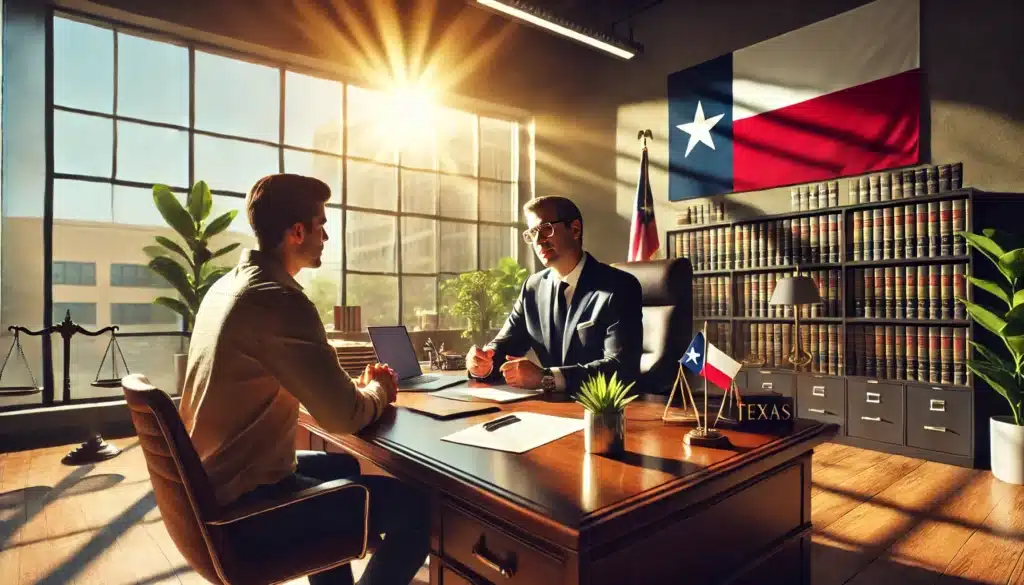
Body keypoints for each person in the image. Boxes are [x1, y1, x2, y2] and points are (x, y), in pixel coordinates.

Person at [178, 173, 429, 585]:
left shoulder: (228, 286)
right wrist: (380, 388)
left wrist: (355, 390)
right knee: (418, 509)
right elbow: (344, 417)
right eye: (321, 224)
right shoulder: (278, 298)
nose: (327, 235)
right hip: (247, 508)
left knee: (345, 465)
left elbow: (293, 377)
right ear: (297, 232)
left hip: (210, 486)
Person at [466, 196, 643, 394]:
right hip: (551, 410)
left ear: (575, 230)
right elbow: (504, 346)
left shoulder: (619, 286)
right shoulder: (533, 288)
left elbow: (621, 369)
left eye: (546, 229)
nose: (538, 241)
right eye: (532, 233)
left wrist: (547, 378)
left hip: (604, 411)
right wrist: (482, 364)